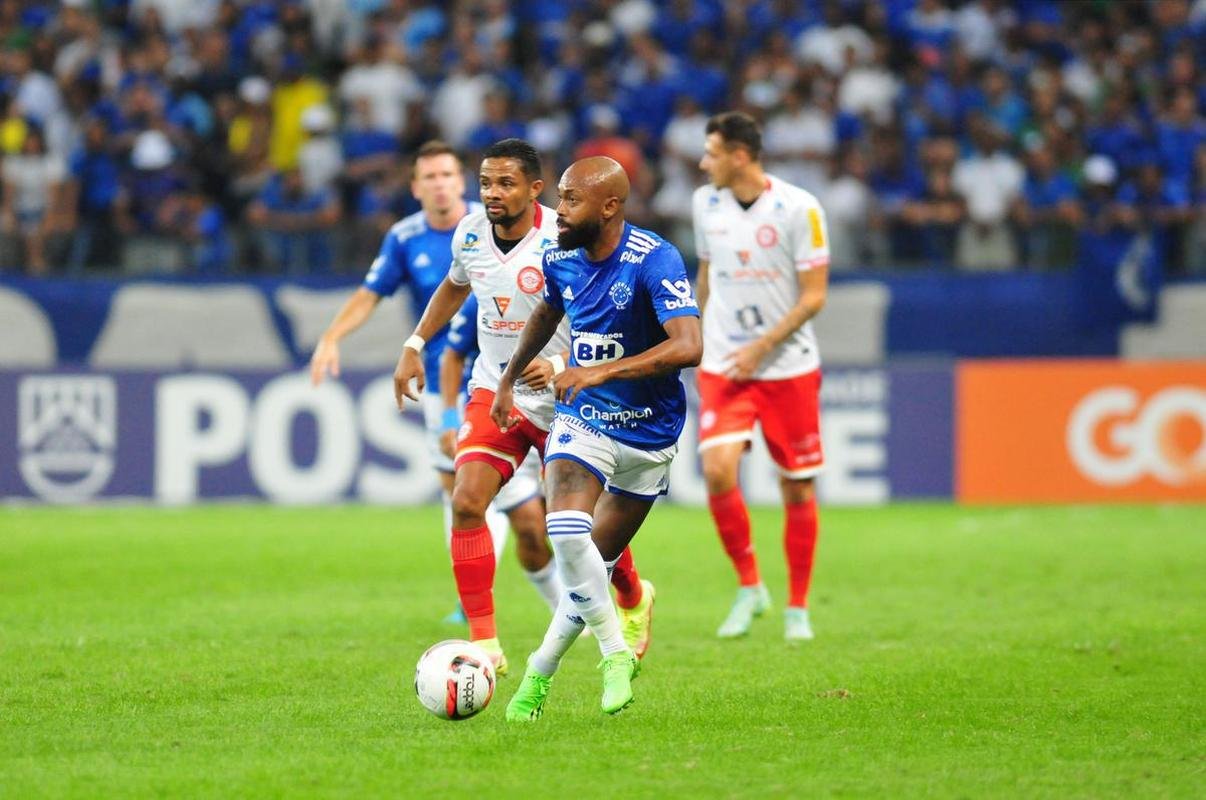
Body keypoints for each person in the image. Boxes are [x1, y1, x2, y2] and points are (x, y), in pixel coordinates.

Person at [393, 139, 653, 675]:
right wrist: (415, 345)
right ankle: (484, 644)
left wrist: (561, 368)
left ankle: (632, 593)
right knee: (467, 501)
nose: (492, 193)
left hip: (566, 397)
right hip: (496, 389)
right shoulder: (468, 233)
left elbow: (606, 319)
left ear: (536, 189)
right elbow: (453, 286)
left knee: (576, 527)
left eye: (506, 183)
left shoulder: (566, 239)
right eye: (486, 183)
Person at [310, 141, 556, 623]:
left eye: (449, 174)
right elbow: (380, 292)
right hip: (462, 382)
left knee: (546, 518)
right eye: (431, 176)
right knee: (464, 495)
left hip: (536, 379)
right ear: (416, 186)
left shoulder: (531, 229)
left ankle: (600, 603)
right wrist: (362, 339)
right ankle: (477, 611)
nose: (443, 184)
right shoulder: (412, 237)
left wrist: (568, 362)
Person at [494, 156, 701, 720]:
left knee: (591, 571)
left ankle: (538, 674)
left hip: (650, 433)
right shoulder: (559, 255)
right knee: (564, 529)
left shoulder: (653, 259)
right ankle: (615, 655)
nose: (558, 211)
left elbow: (689, 346)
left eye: (570, 200)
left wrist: (600, 370)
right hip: (584, 419)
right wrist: (510, 378)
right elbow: (546, 311)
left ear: (609, 207)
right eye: (559, 198)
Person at [692, 111, 831, 642]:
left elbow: (815, 295)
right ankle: (750, 587)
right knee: (717, 469)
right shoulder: (704, 204)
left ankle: (798, 607)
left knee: (796, 487)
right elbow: (706, 275)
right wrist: (693, 336)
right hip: (725, 361)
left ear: (740, 156)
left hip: (787, 365)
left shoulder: (801, 208)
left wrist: (763, 346)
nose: (705, 163)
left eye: (712, 152)